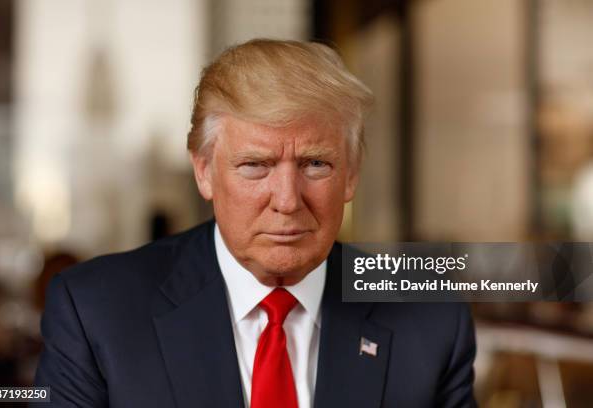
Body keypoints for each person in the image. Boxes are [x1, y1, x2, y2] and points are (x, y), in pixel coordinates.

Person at [33, 39, 476, 407]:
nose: (287, 201)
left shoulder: (430, 319)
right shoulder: (96, 312)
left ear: (352, 174)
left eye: (316, 164)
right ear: (204, 171)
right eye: (256, 166)